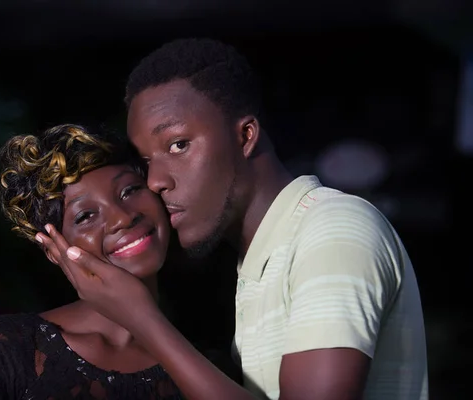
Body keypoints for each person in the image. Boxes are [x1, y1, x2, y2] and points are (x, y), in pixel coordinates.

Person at [39, 38, 429, 399]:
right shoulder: (264, 259)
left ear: (245, 136)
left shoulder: (331, 230)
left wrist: (142, 318)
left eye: (178, 145)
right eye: (146, 162)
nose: (156, 181)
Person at [0, 124, 184, 399]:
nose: (122, 218)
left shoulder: (210, 361)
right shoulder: (7, 348)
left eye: (129, 190)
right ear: (53, 249)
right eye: (85, 216)